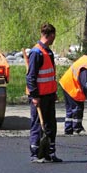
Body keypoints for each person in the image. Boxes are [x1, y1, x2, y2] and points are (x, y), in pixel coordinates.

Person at [25, 22, 61, 163]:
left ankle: (50, 153)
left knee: (51, 125)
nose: (54, 39)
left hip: (49, 95)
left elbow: (50, 74)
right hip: (39, 96)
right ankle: (35, 154)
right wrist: (34, 95)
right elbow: (31, 77)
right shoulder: (36, 52)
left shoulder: (48, 52)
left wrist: (54, 91)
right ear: (51, 35)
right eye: (54, 36)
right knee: (37, 125)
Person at [60, 52, 87, 135]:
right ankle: (77, 128)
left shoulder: (86, 59)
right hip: (72, 88)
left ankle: (68, 129)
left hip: (67, 84)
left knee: (70, 109)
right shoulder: (86, 68)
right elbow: (84, 86)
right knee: (77, 108)